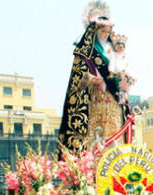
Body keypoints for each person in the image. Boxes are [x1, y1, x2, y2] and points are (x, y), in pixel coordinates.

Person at [58, 0, 132, 154]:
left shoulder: (114, 50)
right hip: (94, 102)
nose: (105, 35)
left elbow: (122, 70)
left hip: (113, 103)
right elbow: (77, 81)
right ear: (94, 30)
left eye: (108, 31)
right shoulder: (84, 52)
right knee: (97, 141)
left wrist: (125, 79)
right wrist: (91, 79)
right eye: (102, 31)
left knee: (114, 139)